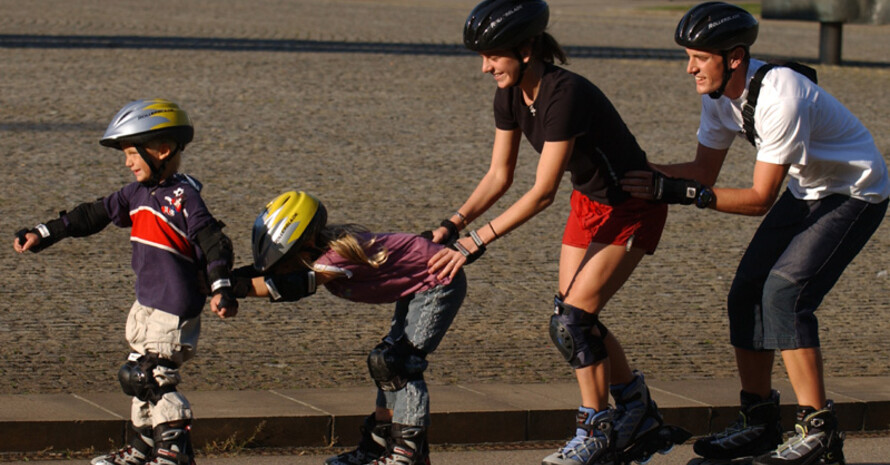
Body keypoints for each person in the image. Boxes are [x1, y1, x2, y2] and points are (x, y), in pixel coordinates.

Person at [620, 3, 890, 464]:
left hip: (856, 191)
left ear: (735, 57)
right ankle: (761, 422)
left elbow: (759, 197)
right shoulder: (719, 98)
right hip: (809, 189)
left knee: (786, 294)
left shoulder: (781, 96)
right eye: (689, 56)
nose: (690, 69)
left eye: (699, 58)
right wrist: (634, 171)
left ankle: (818, 432)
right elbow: (703, 171)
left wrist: (683, 195)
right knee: (745, 293)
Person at [423, 1, 690, 464]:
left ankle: (595, 428)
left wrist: (474, 243)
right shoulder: (509, 94)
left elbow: (542, 192)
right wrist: (451, 224)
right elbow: (499, 176)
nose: (485, 67)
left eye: (493, 56)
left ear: (526, 49)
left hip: (632, 207)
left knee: (575, 320)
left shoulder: (564, 94)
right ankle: (636, 407)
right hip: (589, 204)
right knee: (568, 317)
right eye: (482, 57)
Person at [13, 99, 239, 465]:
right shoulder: (135, 194)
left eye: (132, 153)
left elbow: (214, 242)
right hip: (147, 304)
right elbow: (92, 215)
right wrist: (44, 233)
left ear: (162, 150)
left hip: (174, 305)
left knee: (154, 377)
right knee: (136, 376)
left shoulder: (184, 197)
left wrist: (221, 288)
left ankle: (173, 452)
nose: (127, 161)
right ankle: (144, 447)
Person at [224, 190, 467, 465]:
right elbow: (268, 276)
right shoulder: (317, 252)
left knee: (402, 363)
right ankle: (378, 448)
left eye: (286, 262)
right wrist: (220, 282)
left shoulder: (333, 258)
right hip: (417, 285)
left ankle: (407, 453)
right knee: (385, 361)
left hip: (441, 281)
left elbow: (292, 286)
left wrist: (236, 288)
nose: (282, 270)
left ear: (307, 243)